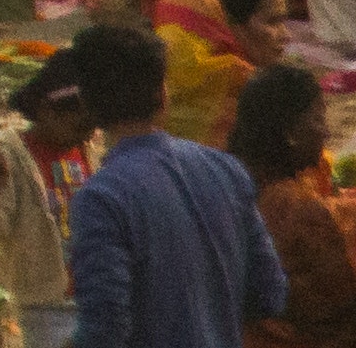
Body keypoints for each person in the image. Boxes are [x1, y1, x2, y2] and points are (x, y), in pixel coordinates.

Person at [61, 17, 288, 348]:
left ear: (87, 104)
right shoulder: (225, 169)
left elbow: (105, 329)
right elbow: (270, 295)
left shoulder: (100, 199)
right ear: (163, 94)